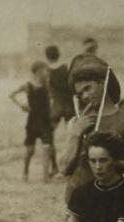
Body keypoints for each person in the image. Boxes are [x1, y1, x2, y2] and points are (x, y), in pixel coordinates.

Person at [60, 55, 124, 204]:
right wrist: (76, 134)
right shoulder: (76, 122)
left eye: (88, 88)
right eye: (80, 94)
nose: (85, 96)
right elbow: (64, 168)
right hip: (77, 201)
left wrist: (111, 162)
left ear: (102, 83)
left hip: (110, 201)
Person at [10, 61, 55, 182]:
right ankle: (25, 172)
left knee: (47, 148)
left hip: (45, 121)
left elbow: (52, 100)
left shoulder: (47, 85)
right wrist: (22, 105)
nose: (46, 72)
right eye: (44, 70)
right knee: (30, 150)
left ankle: (45, 176)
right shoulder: (28, 85)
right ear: (38, 71)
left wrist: (52, 111)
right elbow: (12, 95)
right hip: (33, 121)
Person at [45, 45, 71, 173]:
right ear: (58, 55)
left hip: (57, 105)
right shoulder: (65, 68)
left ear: (47, 56)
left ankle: (54, 167)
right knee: (73, 136)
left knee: (49, 136)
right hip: (69, 105)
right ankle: (72, 167)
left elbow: (49, 91)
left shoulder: (47, 71)